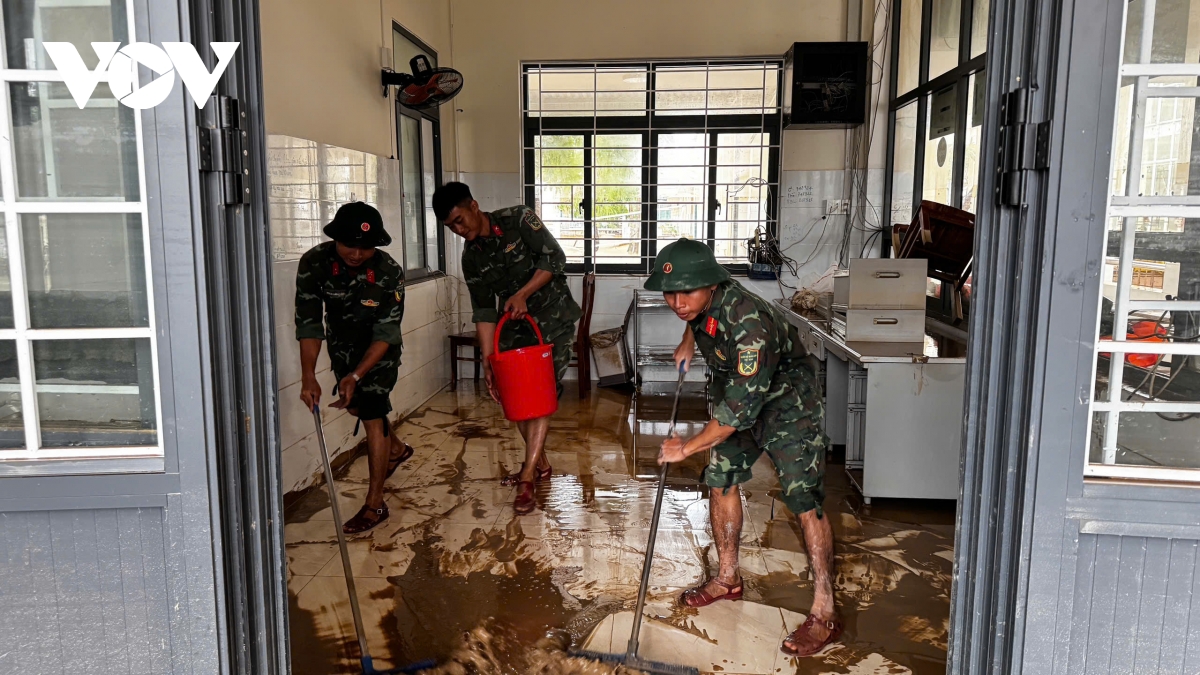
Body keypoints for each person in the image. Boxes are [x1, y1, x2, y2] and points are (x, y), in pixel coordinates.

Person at [647, 238, 842, 658]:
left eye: (686, 293)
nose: (678, 303)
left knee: (803, 499)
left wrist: (685, 448)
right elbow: (695, 316)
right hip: (741, 393)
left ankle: (824, 610)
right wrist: (688, 340)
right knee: (720, 479)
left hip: (788, 402)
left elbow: (734, 416)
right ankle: (728, 579)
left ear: (711, 284)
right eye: (670, 293)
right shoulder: (699, 304)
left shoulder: (749, 324)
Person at [433, 182, 581, 515]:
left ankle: (527, 476)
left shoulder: (518, 219)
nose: (458, 230)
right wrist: (488, 361)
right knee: (516, 399)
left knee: (540, 395)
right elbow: (484, 311)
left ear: (474, 206)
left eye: (459, 220)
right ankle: (540, 464)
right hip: (514, 326)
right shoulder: (471, 258)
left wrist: (523, 293)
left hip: (553, 320)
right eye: (451, 227)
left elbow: (555, 258)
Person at [295, 201, 415, 534]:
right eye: (350, 245)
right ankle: (397, 450)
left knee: (372, 414)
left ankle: (375, 504)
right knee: (356, 408)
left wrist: (358, 375)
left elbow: (386, 332)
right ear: (335, 238)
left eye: (366, 247)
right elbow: (309, 323)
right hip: (342, 350)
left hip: (380, 353)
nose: (357, 254)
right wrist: (308, 377)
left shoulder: (389, 272)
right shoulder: (314, 263)